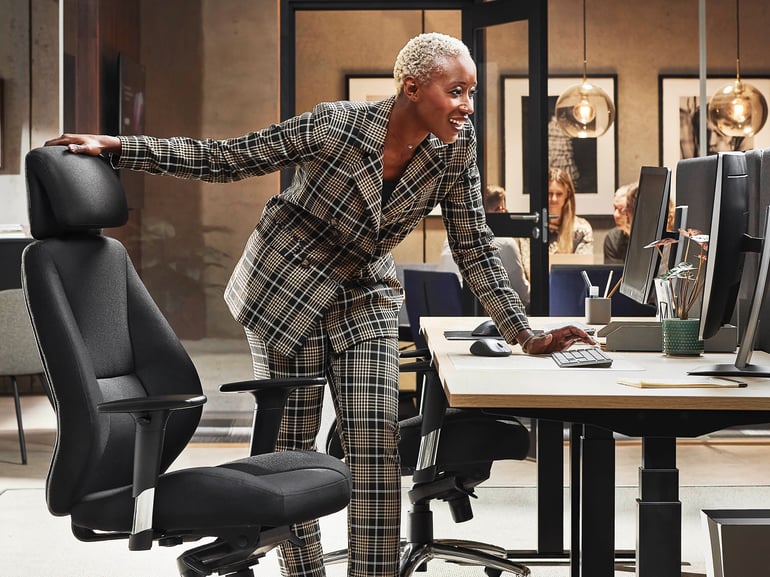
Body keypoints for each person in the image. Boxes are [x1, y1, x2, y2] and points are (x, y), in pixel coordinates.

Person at [44, 32, 593, 577]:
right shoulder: (337, 126)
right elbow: (229, 157)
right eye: (456, 92)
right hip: (287, 287)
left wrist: (525, 334)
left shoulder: (456, 146)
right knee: (293, 446)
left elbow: (473, 241)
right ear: (411, 87)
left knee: (375, 447)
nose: (466, 107)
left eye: (471, 93)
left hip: (365, 293)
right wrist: (121, 147)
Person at [438, 184, 530, 308]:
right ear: (500, 209)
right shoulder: (505, 243)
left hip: (443, 312)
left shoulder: (451, 239)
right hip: (476, 315)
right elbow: (523, 294)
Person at [518, 166, 594, 280]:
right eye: (549, 193)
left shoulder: (582, 229)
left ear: (567, 195)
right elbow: (528, 272)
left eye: (559, 194)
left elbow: (583, 274)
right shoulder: (532, 229)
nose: (553, 199)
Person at [603, 181, 638, 264]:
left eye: (621, 209)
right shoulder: (612, 239)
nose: (616, 215)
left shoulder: (653, 236)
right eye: (615, 208)